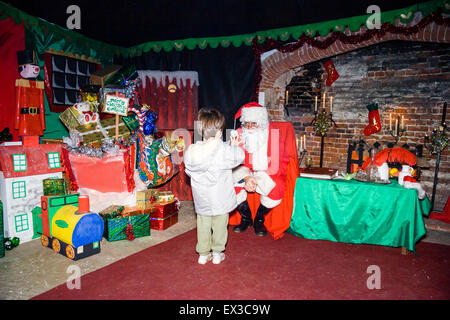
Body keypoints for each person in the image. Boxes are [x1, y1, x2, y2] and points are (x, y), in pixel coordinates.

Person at [184, 108, 244, 265]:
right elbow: (239, 157)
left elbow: (189, 171)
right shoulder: (224, 150)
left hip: (202, 198)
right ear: (219, 132)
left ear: (200, 129)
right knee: (220, 225)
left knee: (203, 225)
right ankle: (217, 253)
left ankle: (203, 254)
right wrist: (236, 146)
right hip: (220, 197)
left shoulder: (192, 150)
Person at [232, 102, 290, 236]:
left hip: (266, 171)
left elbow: (277, 164)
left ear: (262, 123)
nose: (250, 127)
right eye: (247, 123)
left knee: (277, 186)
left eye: (254, 123)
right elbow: (234, 161)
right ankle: (246, 218)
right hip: (244, 170)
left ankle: (259, 219)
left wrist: (256, 180)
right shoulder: (239, 134)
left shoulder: (273, 134)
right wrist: (247, 178)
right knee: (229, 181)